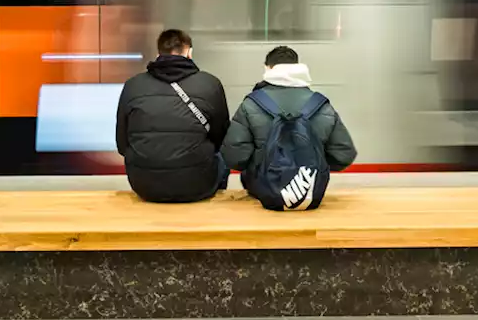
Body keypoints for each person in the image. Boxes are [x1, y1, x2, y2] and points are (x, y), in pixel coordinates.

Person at [221, 46, 357, 198]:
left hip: (262, 192)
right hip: (310, 192)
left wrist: (262, 163)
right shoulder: (321, 105)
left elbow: (234, 157)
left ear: (268, 68)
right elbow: (344, 155)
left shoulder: (251, 104)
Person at [116, 29, 231, 203]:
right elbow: (220, 138)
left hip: (145, 185)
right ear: (189, 52)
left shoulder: (133, 85)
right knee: (222, 155)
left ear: (158, 54)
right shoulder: (210, 83)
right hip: (197, 184)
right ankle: (216, 204)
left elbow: (122, 145)